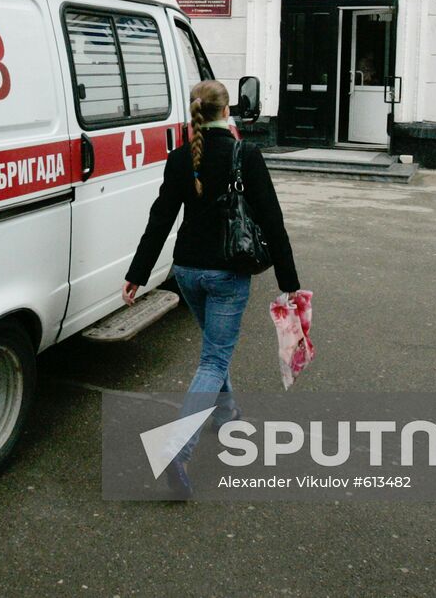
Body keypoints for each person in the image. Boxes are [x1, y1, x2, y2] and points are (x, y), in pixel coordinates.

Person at [122, 79, 302, 498]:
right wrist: (289, 283)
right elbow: (272, 222)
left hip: (186, 270)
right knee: (214, 358)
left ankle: (228, 417)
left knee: (213, 353)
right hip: (227, 273)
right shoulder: (247, 154)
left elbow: (160, 218)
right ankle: (177, 450)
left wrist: (138, 272)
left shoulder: (181, 157)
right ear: (228, 111)